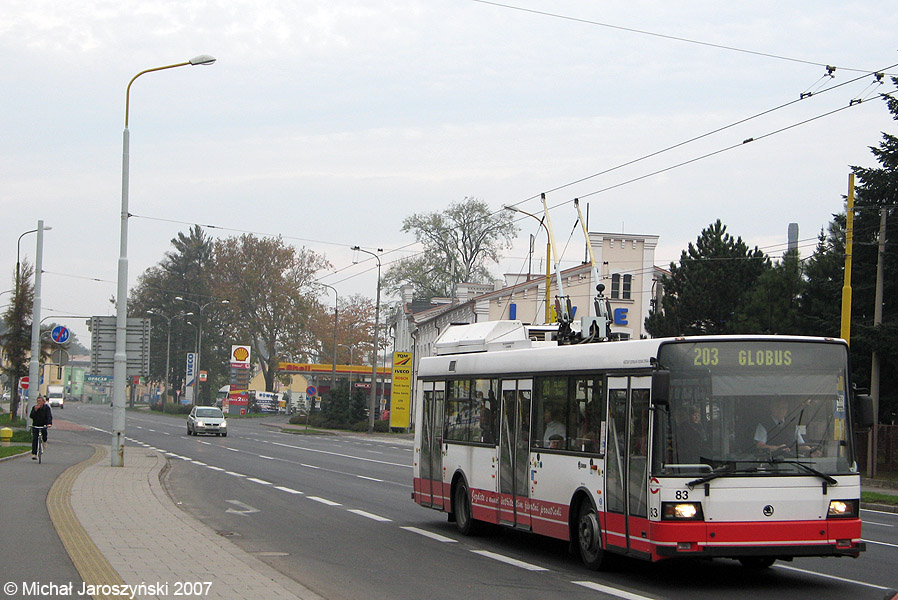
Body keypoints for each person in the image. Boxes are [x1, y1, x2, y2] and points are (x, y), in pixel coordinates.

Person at [29, 395, 53, 460]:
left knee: (44, 433)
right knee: (35, 439)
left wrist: (49, 423)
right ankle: (34, 454)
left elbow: (49, 416)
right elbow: (31, 416)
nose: (39, 402)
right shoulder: (34, 407)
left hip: (43, 425)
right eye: (38, 401)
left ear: (43, 402)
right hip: (36, 425)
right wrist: (35, 410)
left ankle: (44, 441)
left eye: (40, 401)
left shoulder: (46, 408)